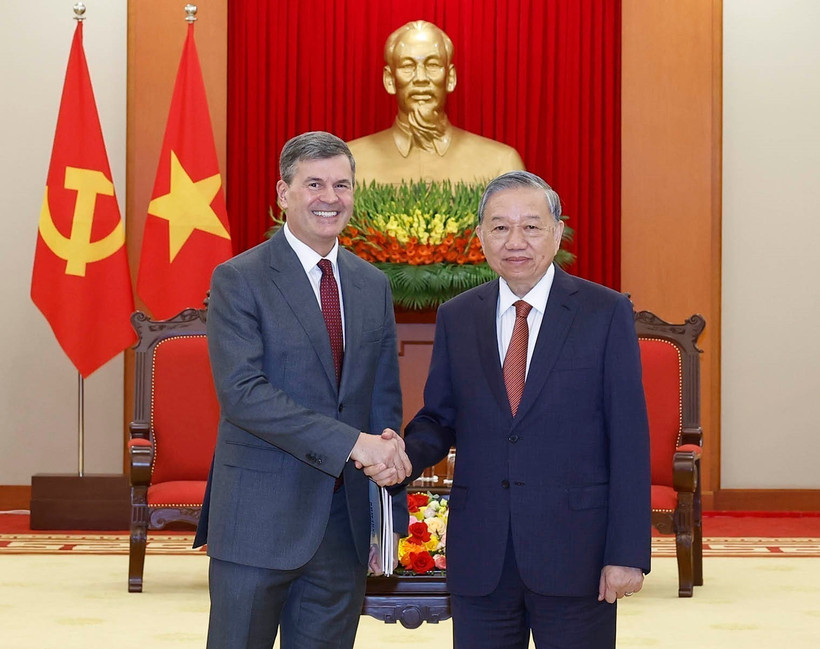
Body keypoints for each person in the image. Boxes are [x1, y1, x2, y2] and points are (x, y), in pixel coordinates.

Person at [375, 171, 651, 648]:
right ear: (480, 236)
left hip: (576, 554)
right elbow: (440, 417)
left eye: (531, 226)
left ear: (557, 231)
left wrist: (626, 553)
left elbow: (629, 438)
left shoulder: (605, 313)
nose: (515, 241)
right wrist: (401, 454)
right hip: (482, 553)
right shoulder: (459, 316)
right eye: (500, 227)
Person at [194, 131, 411, 649]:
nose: (329, 198)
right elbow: (244, 394)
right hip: (257, 518)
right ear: (282, 193)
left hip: (344, 525)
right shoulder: (239, 278)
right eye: (313, 184)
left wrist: (388, 518)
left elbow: (384, 401)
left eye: (342, 185)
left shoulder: (371, 284)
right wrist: (351, 443)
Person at [347, 20, 525, 185]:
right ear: (389, 80)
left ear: (451, 78)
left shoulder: (501, 164)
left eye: (432, 65)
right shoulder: (349, 162)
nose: (421, 78)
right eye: (407, 66)